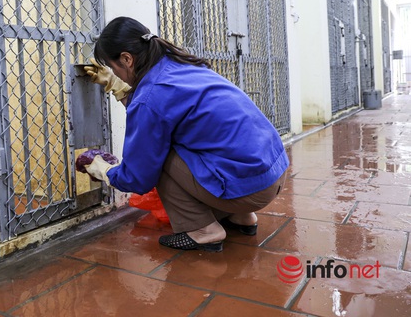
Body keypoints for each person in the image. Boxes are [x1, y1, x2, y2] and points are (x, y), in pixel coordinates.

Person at [81, 16, 289, 252]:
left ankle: (203, 231)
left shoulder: (151, 94)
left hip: (251, 190)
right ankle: (241, 217)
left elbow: (138, 176)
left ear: (127, 59)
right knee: (195, 143)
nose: (115, 74)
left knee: (159, 155)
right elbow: (159, 110)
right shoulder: (180, 65)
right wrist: (118, 88)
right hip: (273, 173)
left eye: (113, 68)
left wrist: (106, 171)